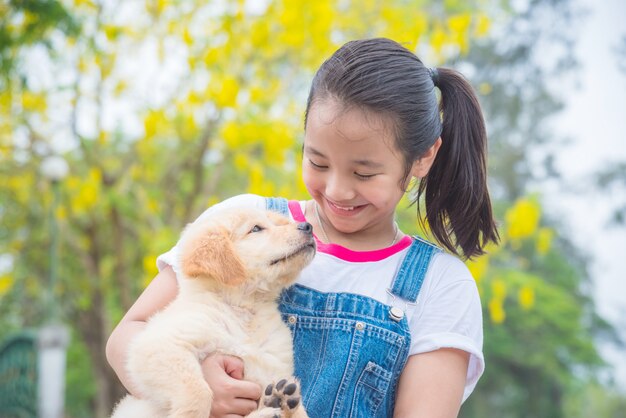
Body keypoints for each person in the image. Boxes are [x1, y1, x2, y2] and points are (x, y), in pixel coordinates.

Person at [106, 37, 499, 418]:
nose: (337, 189)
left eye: (364, 172)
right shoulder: (243, 218)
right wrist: (197, 385)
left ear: (423, 158)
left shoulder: (440, 285)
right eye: (318, 162)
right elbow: (129, 336)